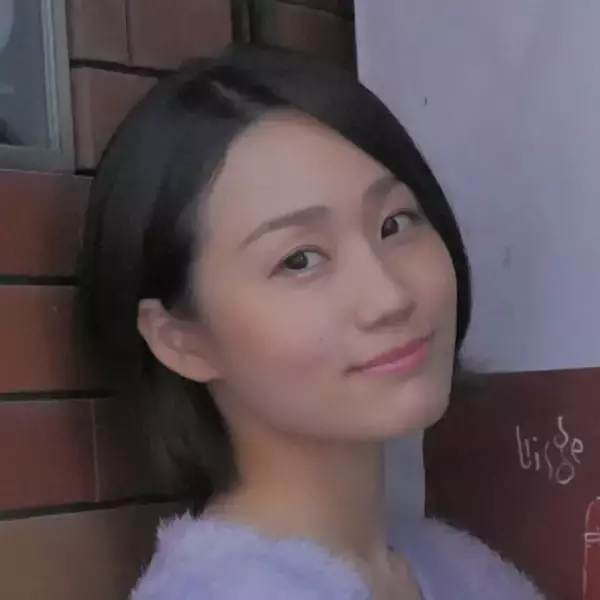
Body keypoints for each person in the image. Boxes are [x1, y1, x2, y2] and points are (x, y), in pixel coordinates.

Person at [79, 45, 544, 600]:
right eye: (299, 259)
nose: (389, 296)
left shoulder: (458, 572)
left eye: (396, 223)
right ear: (180, 340)